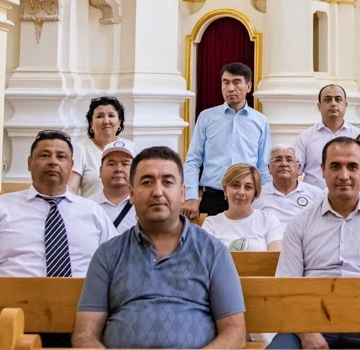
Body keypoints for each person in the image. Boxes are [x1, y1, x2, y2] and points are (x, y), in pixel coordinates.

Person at [73, 145, 247, 349]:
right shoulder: (108, 254)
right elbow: (85, 335)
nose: (157, 192)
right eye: (147, 182)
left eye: (167, 182)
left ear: (182, 192)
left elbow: (234, 332)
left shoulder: (212, 251)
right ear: (131, 193)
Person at [268, 137, 360, 349]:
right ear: (323, 170)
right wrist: (307, 333)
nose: (344, 176)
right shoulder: (300, 223)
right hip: (310, 322)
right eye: (335, 166)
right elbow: (286, 287)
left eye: (352, 167)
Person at [0, 130, 115, 277]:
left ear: (71, 166)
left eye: (61, 157)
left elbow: (117, 263)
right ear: (29, 163)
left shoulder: (93, 211)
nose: (53, 162)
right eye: (44, 155)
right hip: (10, 301)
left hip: (82, 302)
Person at [184, 62, 272, 218]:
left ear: (248, 86)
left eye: (237, 82)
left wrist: (265, 199)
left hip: (247, 198)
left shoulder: (260, 121)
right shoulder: (206, 117)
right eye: (226, 82)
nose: (230, 88)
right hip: (213, 197)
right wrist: (191, 196)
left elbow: (263, 166)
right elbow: (193, 160)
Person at [201, 163, 284, 252]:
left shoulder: (269, 220)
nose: (241, 192)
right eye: (235, 186)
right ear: (225, 190)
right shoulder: (210, 224)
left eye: (248, 187)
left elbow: (275, 259)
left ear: (255, 193)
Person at [293, 84, 359, 188]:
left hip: (349, 197)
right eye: (328, 99)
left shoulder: (358, 136)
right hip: (313, 200)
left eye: (338, 99)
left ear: (345, 105)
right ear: (319, 106)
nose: (333, 103)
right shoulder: (305, 137)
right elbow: (294, 171)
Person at [254, 144, 322, 231]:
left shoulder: (315, 194)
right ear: (269, 168)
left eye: (289, 160)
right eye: (278, 160)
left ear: (298, 168)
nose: (284, 164)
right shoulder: (258, 194)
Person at [72, 96, 125, 198]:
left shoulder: (129, 147)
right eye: (100, 116)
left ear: (119, 122)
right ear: (91, 124)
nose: (106, 121)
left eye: (111, 115)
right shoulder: (80, 149)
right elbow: (72, 188)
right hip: (90, 212)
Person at [91, 137, 139, 234]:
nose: (118, 169)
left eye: (125, 164)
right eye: (111, 164)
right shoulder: (88, 206)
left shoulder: (143, 206)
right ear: (100, 171)